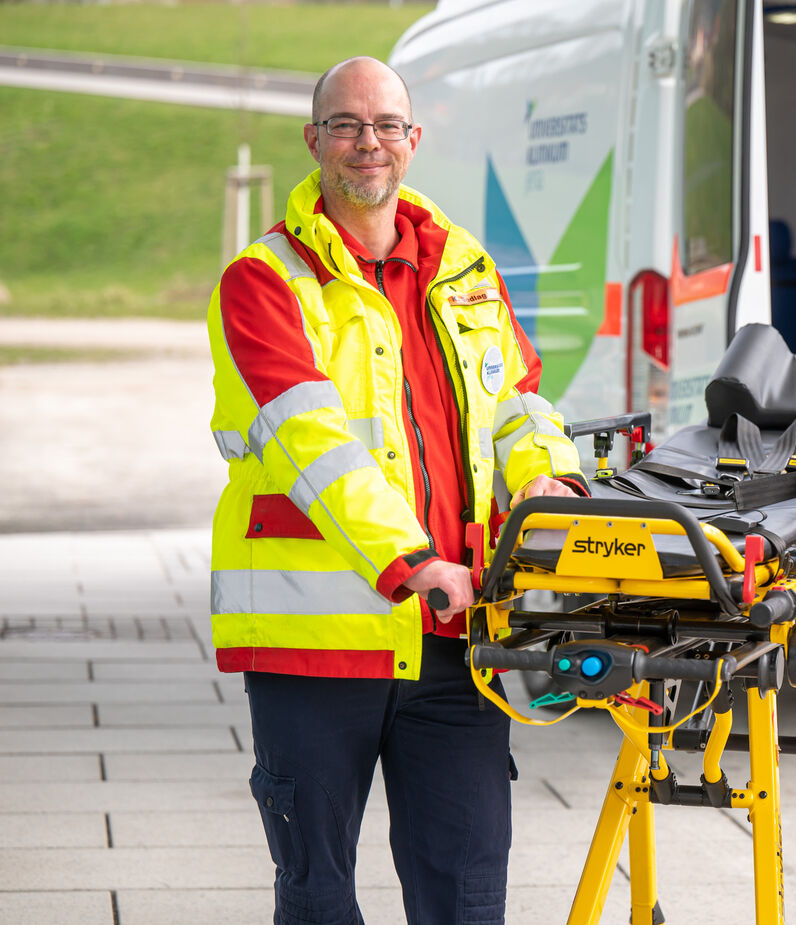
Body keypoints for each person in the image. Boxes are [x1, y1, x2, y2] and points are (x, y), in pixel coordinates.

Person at [206, 56, 587, 924]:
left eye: (385, 126)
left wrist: (553, 493)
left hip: (457, 640)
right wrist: (413, 560)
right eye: (345, 124)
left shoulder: (466, 272)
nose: (366, 142)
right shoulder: (263, 282)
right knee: (317, 894)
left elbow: (519, 408)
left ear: (413, 142)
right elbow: (315, 449)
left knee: (466, 892)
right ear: (314, 142)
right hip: (319, 648)